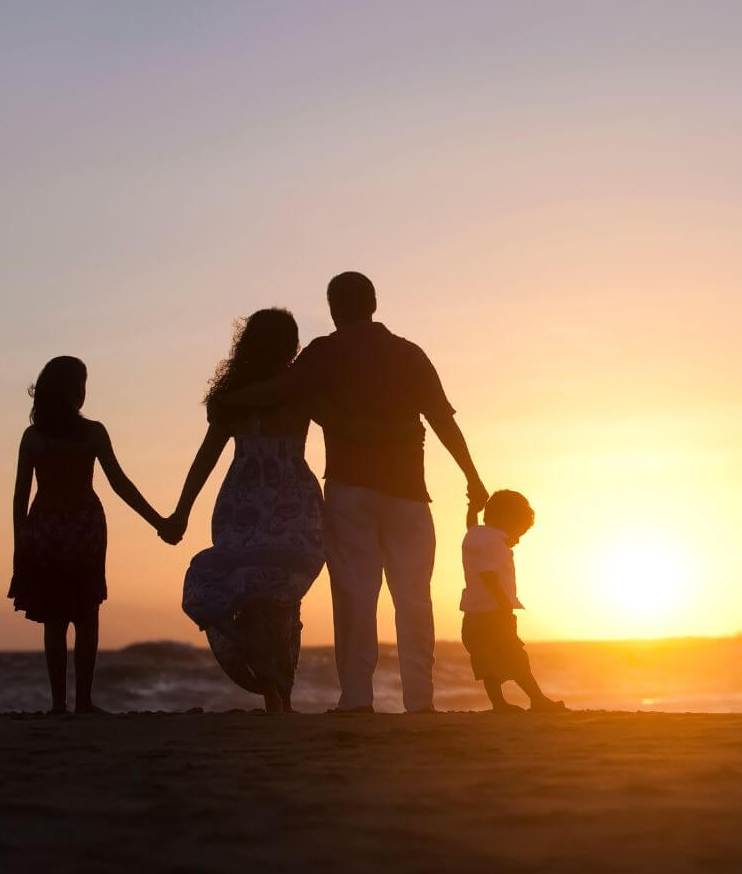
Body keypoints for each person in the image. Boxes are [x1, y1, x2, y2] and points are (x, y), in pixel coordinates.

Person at [220, 272, 487, 713]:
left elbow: (279, 389)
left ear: (332, 308)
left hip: (351, 491)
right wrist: (472, 479)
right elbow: (443, 421)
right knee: (413, 596)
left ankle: (358, 699)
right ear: (374, 303)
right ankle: (420, 701)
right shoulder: (409, 353)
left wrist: (229, 400)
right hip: (408, 494)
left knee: (355, 595)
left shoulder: (325, 352)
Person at [158, 309, 326, 713]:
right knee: (281, 596)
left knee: (259, 594)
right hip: (289, 500)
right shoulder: (297, 390)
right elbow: (207, 455)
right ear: (289, 345)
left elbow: (206, 459)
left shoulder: (235, 398)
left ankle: (274, 685)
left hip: (244, 503)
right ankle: (277, 690)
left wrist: (182, 511)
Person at [10, 355, 167, 714]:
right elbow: (120, 484)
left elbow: (20, 496)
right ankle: (84, 702)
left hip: (46, 527)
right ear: (73, 390)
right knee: (86, 613)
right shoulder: (92, 432)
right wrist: (158, 521)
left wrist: (19, 543)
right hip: (83, 528)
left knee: (54, 618)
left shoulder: (33, 437)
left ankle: (58, 705)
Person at [460, 489, 565, 712]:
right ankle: (537, 699)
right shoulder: (495, 544)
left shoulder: (476, 534)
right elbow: (488, 574)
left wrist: (472, 509)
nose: (517, 540)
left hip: (473, 616)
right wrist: (504, 603)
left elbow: (471, 526)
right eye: (518, 531)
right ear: (507, 519)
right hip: (494, 614)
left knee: (486, 661)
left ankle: (498, 704)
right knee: (516, 657)